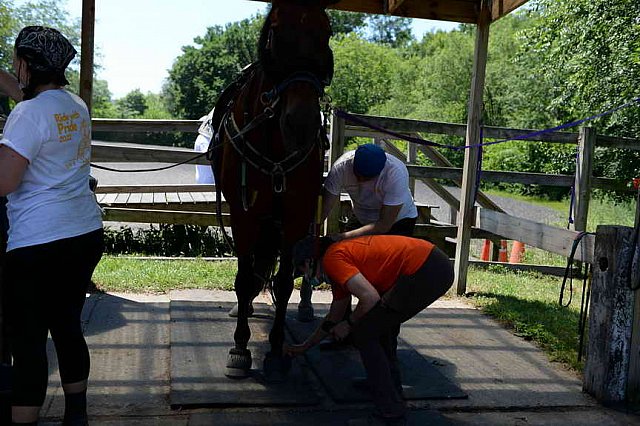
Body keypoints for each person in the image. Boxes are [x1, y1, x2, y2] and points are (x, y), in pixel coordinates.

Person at [0, 26, 104, 425]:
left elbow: (6, 181)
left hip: (38, 242)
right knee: (66, 324)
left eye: (17, 61)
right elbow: (31, 105)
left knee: (28, 341)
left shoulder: (26, 114)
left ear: (28, 64)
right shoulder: (74, 105)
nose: (15, 68)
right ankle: (76, 414)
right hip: (82, 232)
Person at [285, 234, 454, 425]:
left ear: (310, 260)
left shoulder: (333, 259)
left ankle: (390, 409)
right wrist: (304, 346)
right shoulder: (336, 264)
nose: (308, 278)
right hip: (430, 263)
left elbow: (370, 298)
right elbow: (333, 317)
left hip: (426, 268)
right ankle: (387, 387)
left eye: (304, 271)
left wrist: (348, 324)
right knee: (381, 329)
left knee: (364, 334)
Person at [322, 143, 418, 241]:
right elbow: (324, 208)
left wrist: (342, 237)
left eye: (367, 177)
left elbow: (384, 225)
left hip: (397, 221)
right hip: (362, 216)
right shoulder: (341, 167)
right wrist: (313, 230)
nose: (361, 181)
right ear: (353, 163)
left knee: (385, 254)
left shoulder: (396, 173)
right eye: (358, 175)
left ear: (381, 170)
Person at [194, 108, 215, 184]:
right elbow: (208, 156)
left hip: (203, 178)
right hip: (208, 180)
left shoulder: (200, 138)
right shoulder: (204, 140)